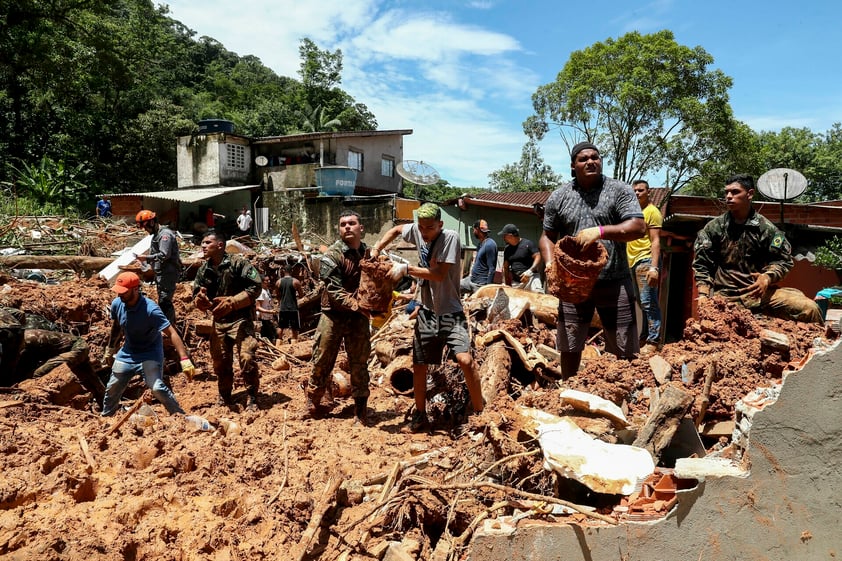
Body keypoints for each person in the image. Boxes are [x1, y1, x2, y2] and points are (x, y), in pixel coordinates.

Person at [372, 203, 484, 431]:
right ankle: (420, 415)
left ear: (440, 224)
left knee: (465, 360)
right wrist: (376, 249)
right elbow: (395, 230)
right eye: (421, 227)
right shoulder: (419, 230)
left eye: (429, 228)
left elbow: (439, 275)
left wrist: (406, 269)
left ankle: (480, 412)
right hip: (427, 313)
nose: (423, 233)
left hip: (451, 312)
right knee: (420, 365)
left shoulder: (449, 237)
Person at [539, 142, 645, 377]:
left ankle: (626, 393)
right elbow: (547, 236)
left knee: (624, 345)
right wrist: (549, 263)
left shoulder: (619, 190)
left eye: (595, 157)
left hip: (615, 280)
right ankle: (568, 387)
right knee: (569, 343)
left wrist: (600, 232)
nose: (590, 162)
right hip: (573, 284)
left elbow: (638, 227)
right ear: (573, 166)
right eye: (583, 159)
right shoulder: (560, 196)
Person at [692, 174, 823, 324]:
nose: (728, 196)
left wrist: (767, 277)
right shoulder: (714, 228)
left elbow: (783, 261)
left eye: (735, 192)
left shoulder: (766, 229)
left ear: (750, 194)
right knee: (712, 327)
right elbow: (702, 264)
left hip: (758, 294)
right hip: (724, 296)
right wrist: (703, 294)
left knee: (809, 308)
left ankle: (818, 345)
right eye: (726, 192)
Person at [302, 211, 372, 424]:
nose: (347, 227)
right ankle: (313, 403)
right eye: (343, 224)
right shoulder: (332, 255)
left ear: (361, 228)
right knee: (322, 360)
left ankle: (360, 409)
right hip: (333, 315)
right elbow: (333, 289)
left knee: (359, 362)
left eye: (352, 223)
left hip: (358, 317)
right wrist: (357, 305)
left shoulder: (368, 253)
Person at [100, 272, 195, 417]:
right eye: (119, 292)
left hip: (150, 354)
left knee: (157, 388)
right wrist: (111, 347)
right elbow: (117, 326)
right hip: (128, 353)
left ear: (135, 289)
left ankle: (180, 416)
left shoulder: (151, 309)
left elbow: (172, 333)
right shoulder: (117, 304)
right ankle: (106, 417)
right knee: (113, 386)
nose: (120, 296)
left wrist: (184, 359)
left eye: (124, 292)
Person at [193, 231, 264, 409]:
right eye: (202, 242)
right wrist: (201, 300)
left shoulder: (238, 263)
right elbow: (197, 294)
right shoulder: (204, 269)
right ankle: (224, 396)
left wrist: (232, 303)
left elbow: (255, 287)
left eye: (208, 242)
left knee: (247, 358)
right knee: (220, 361)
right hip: (219, 322)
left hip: (241, 319)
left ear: (220, 245)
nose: (203, 245)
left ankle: (253, 397)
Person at [627, 180, 663, 354]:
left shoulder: (652, 212)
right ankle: (644, 337)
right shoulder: (633, 213)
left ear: (648, 192)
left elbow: (656, 241)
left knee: (649, 302)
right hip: (632, 262)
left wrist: (654, 268)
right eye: (634, 190)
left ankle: (654, 341)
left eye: (640, 190)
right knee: (641, 302)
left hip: (646, 260)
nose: (636, 193)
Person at [134, 210, 182, 326]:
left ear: (151, 223)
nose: (145, 230)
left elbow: (164, 255)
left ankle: (169, 330)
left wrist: (146, 257)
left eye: (145, 227)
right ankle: (170, 327)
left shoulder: (164, 235)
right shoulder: (157, 235)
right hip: (162, 274)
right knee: (163, 300)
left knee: (164, 302)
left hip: (168, 273)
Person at [499, 223, 544, 292]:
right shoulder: (507, 249)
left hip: (531, 278)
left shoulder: (528, 244)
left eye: (504, 236)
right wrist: (506, 283)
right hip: (517, 283)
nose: (503, 238)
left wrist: (530, 271)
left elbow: (538, 256)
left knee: (538, 294)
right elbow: (505, 267)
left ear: (510, 236)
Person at [460, 219, 498, 294]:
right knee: (454, 287)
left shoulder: (490, 245)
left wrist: (487, 288)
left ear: (477, 229)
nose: (473, 232)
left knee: (477, 305)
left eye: (474, 230)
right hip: (471, 280)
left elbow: (492, 268)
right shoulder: (480, 244)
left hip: (480, 285)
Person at [276, 265, 304, 344]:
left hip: (283, 308)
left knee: (281, 327)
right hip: (293, 308)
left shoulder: (278, 282)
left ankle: (277, 347)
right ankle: (293, 349)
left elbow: (277, 295)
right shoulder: (296, 281)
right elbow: (301, 295)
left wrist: (280, 303)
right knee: (294, 329)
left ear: (283, 271)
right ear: (291, 271)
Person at [255, 276, 278, 343]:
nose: (269, 282)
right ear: (262, 282)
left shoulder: (267, 290)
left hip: (267, 318)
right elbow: (258, 307)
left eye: (269, 280)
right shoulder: (261, 292)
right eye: (266, 280)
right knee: (269, 337)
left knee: (272, 336)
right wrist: (269, 311)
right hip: (262, 319)